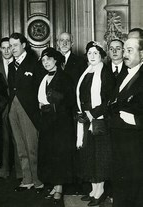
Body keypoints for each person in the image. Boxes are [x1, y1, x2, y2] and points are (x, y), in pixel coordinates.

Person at [75, 41, 115, 206]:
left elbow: (109, 101)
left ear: (101, 56)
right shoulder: (86, 72)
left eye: (95, 53)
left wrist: (93, 113)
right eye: (89, 53)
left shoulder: (105, 73)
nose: (92, 56)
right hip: (85, 118)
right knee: (88, 155)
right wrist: (82, 113)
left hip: (98, 120)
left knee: (99, 156)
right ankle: (93, 189)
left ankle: (100, 191)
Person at [108, 38, 143, 207]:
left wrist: (136, 119)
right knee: (121, 187)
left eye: (130, 50)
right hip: (119, 140)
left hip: (135, 143)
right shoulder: (124, 74)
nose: (125, 54)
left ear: (142, 54)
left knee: (135, 190)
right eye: (125, 50)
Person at [37, 47, 75, 202]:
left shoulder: (65, 77)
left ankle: (59, 187)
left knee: (59, 154)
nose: (45, 63)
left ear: (56, 60)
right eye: (43, 60)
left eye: (48, 59)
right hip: (47, 123)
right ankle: (54, 185)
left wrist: (52, 106)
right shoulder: (44, 77)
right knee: (49, 154)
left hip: (61, 124)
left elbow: (70, 101)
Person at [8, 32, 44, 192]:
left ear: (23, 45)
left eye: (15, 45)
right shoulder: (10, 65)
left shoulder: (35, 64)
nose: (12, 48)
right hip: (13, 108)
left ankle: (38, 180)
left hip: (29, 110)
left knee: (32, 147)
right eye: (10, 46)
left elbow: (40, 88)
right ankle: (27, 179)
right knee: (20, 146)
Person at [0, 37, 22, 179]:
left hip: (18, 106)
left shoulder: (19, 65)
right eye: (3, 48)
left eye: (8, 47)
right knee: (4, 139)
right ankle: (4, 169)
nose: (6, 50)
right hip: (2, 109)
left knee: (19, 139)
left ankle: (21, 171)